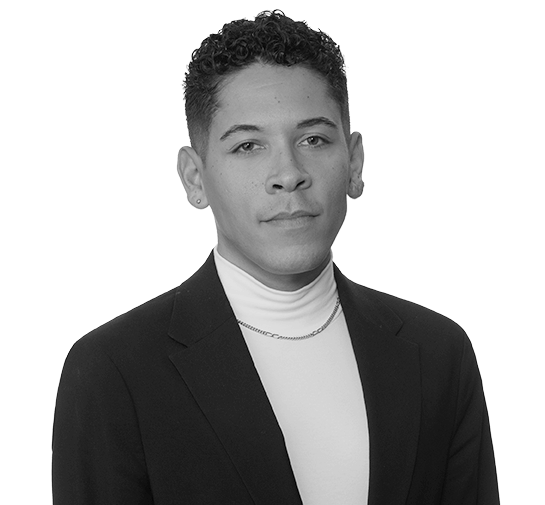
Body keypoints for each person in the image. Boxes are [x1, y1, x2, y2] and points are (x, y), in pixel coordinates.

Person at [52, 10, 499, 504]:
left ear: (354, 162)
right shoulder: (112, 370)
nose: (288, 174)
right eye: (248, 146)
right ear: (194, 177)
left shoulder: (439, 354)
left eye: (313, 139)